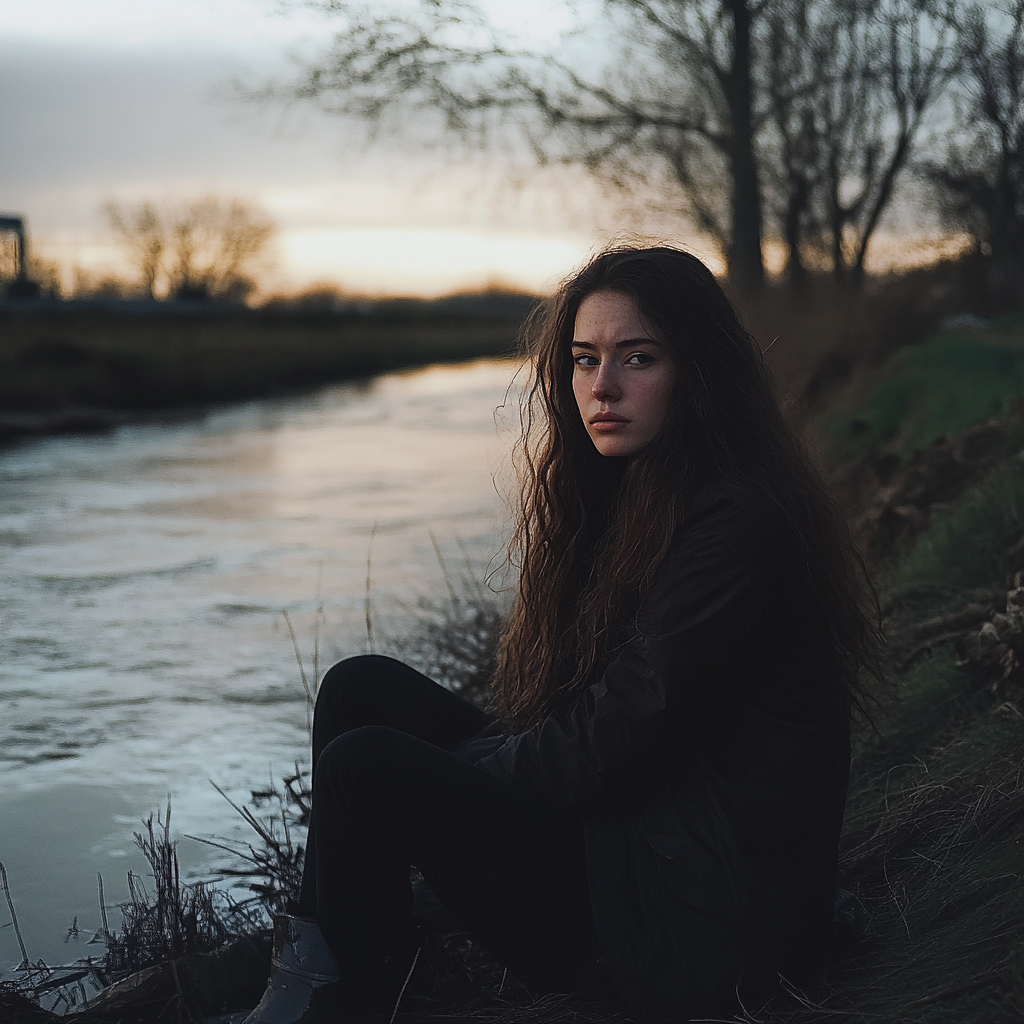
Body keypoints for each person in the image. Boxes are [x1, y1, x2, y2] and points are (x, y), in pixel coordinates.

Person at [243, 245, 879, 1024]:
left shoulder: (737, 520)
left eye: (637, 358)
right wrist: (476, 772)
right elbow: (599, 727)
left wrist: (477, 773)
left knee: (363, 768)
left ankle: (334, 1004)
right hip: (645, 844)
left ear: (701, 370)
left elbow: (623, 726)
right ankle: (370, 968)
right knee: (360, 689)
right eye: (585, 361)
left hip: (695, 926)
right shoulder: (638, 491)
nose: (602, 388)